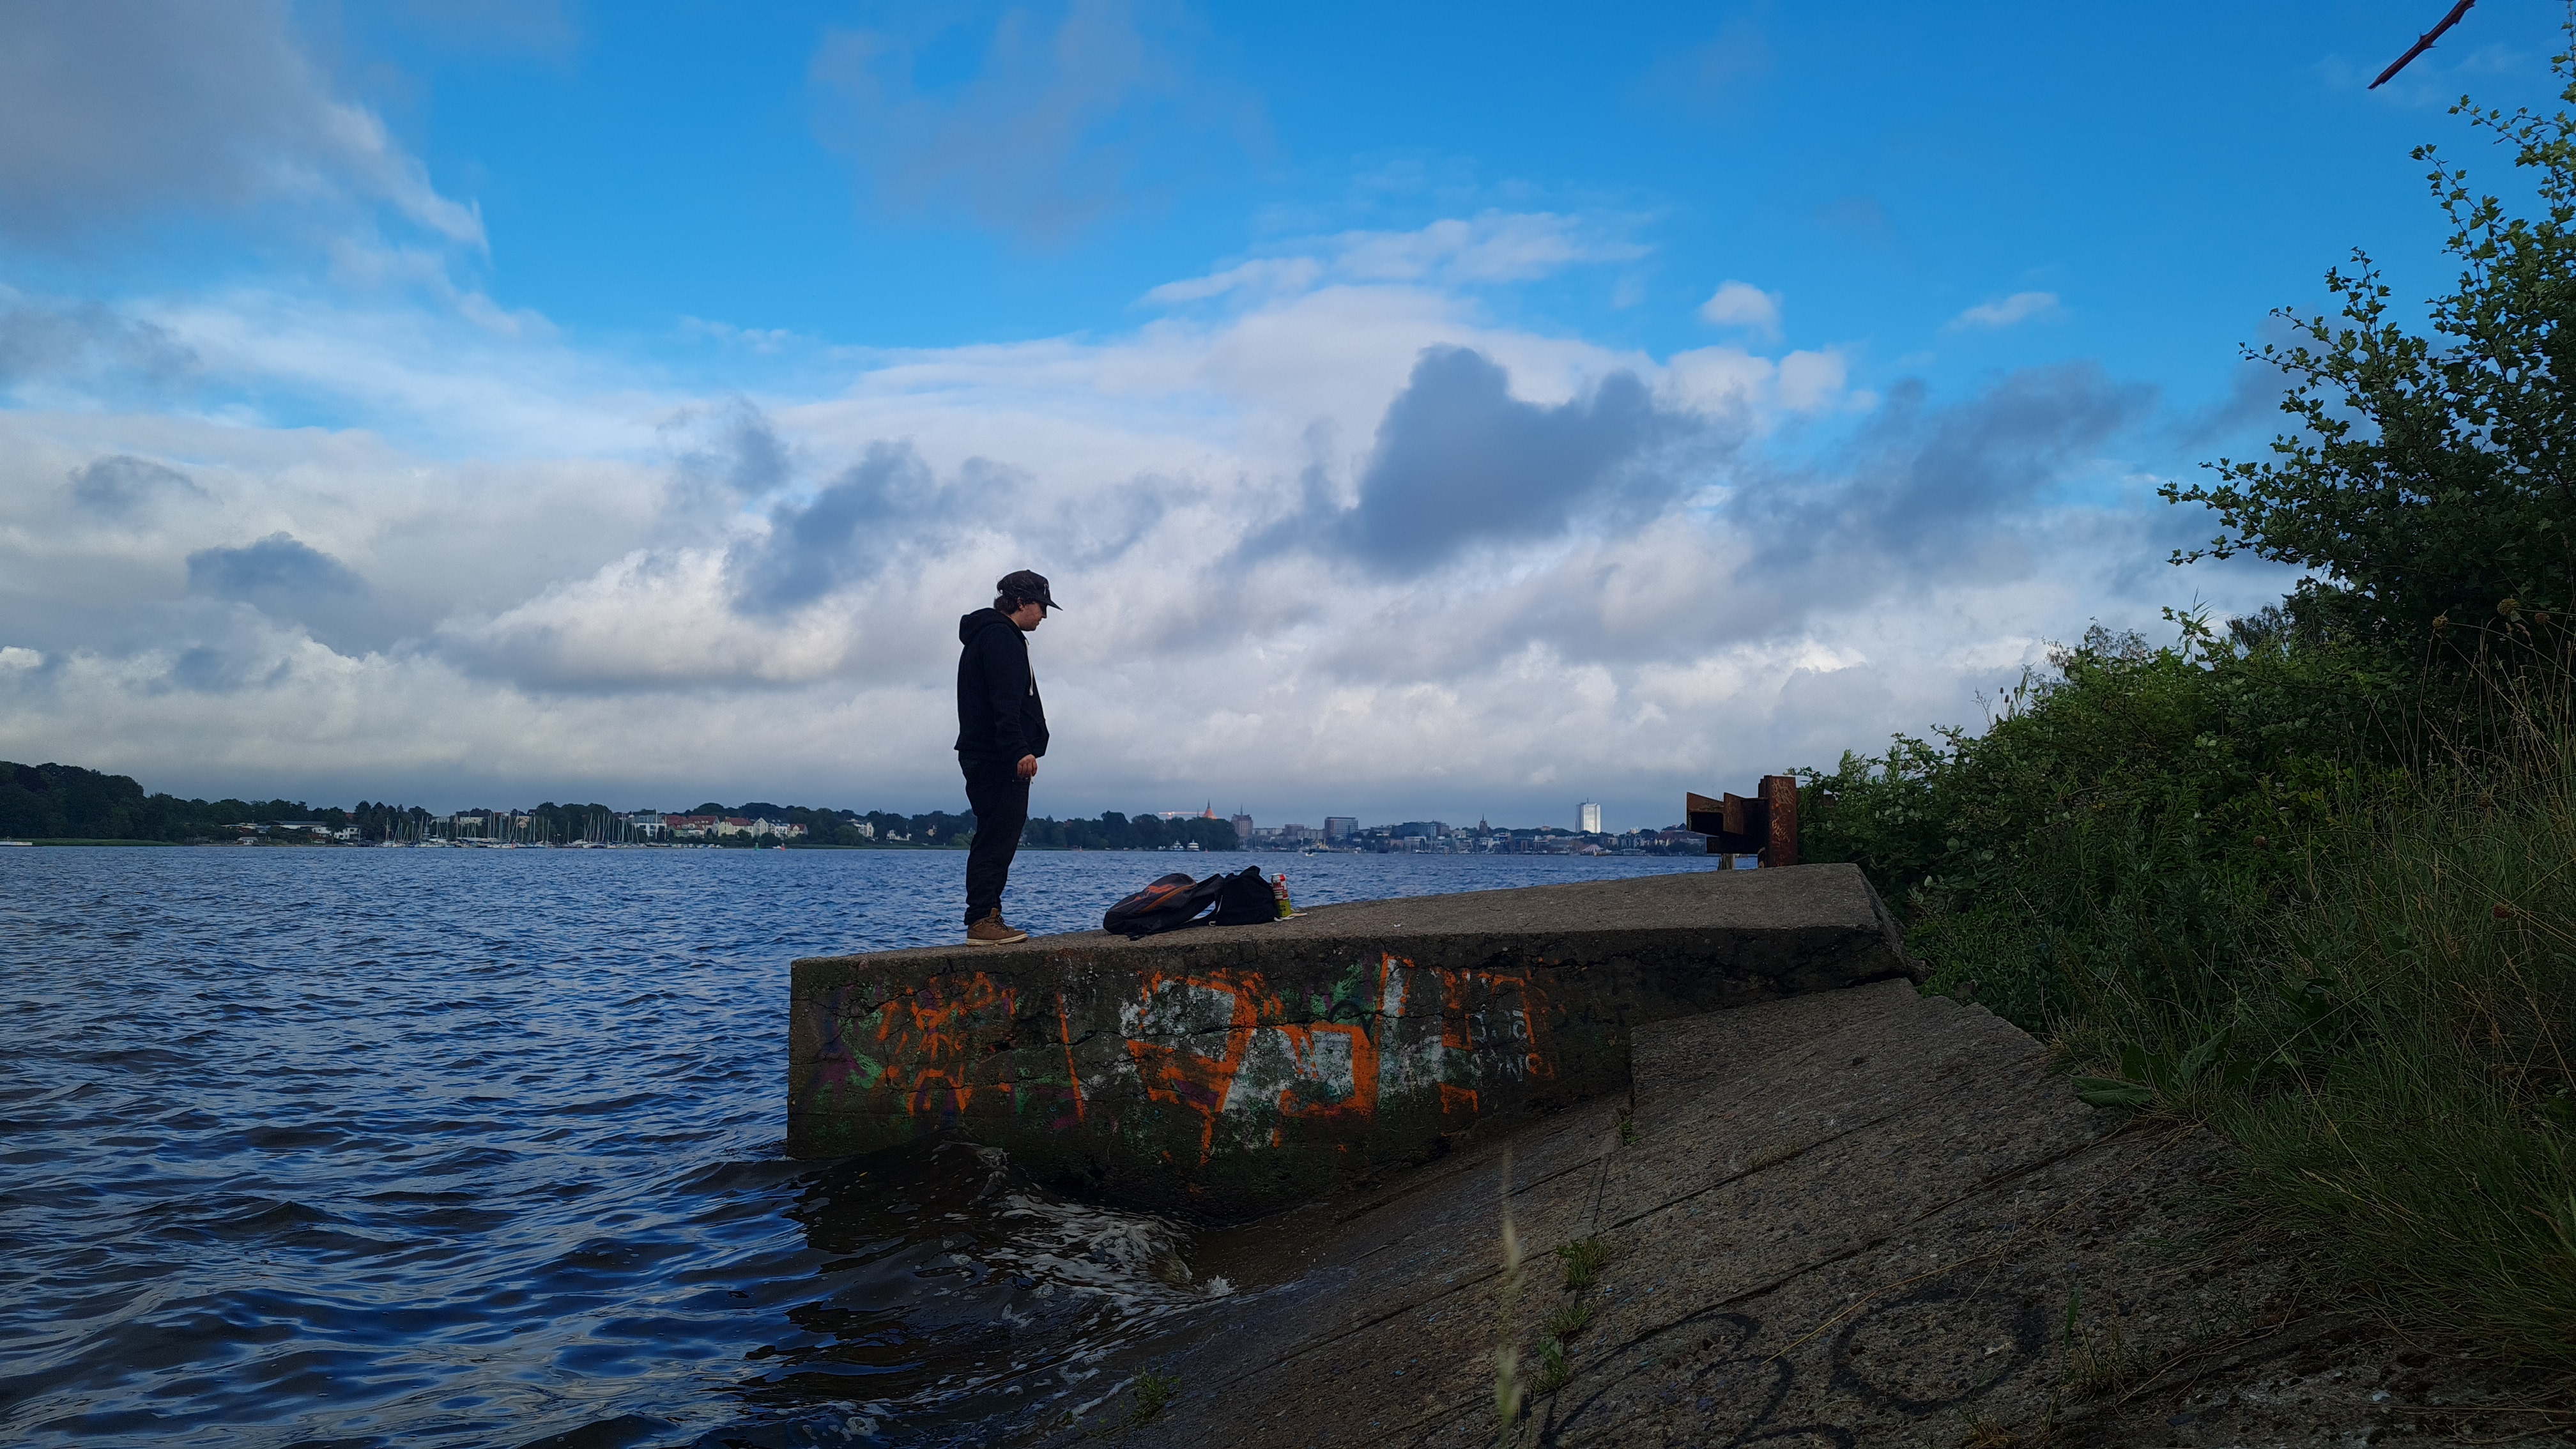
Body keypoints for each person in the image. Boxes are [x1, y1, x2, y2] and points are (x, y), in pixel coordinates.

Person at [954, 569, 1056, 944]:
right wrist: (1019, 750)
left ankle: (987, 916)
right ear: (1020, 602)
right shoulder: (1000, 637)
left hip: (988, 754)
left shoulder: (990, 635)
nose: (1044, 615)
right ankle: (982, 919)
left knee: (996, 835)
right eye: (1041, 606)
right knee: (997, 838)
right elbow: (1005, 703)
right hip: (997, 758)